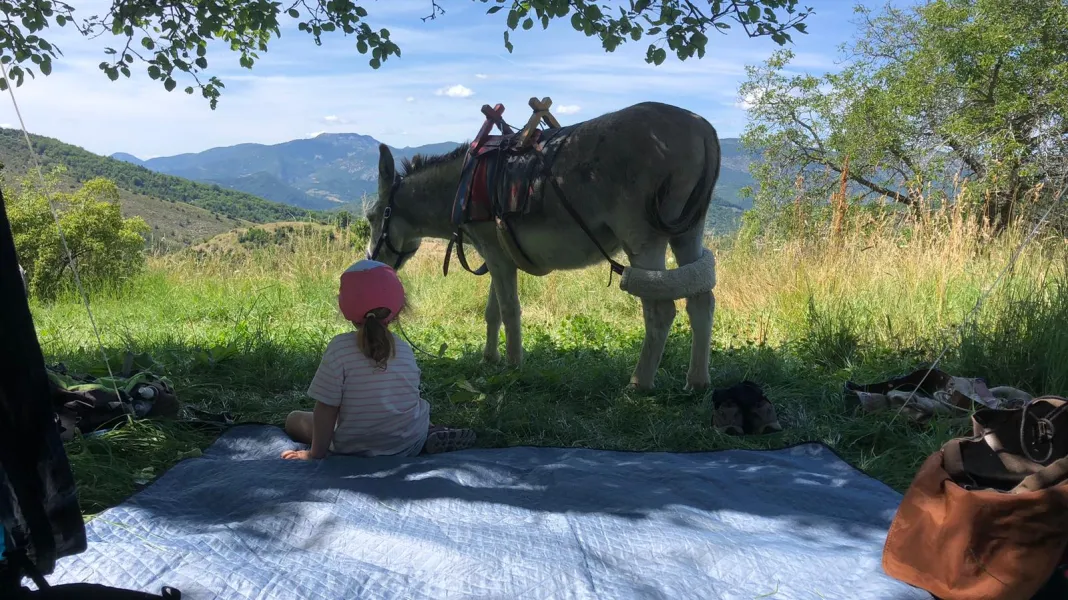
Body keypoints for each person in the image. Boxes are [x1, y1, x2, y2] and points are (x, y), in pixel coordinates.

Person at [280, 259, 476, 460]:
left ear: (345, 308)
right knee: (412, 408)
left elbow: (327, 408)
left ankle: (427, 431)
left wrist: (315, 453)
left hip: (353, 446)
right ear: (398, 309)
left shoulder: (339, 349)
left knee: (294, 419)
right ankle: (430, 431)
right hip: (408, 444)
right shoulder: (403, 348)